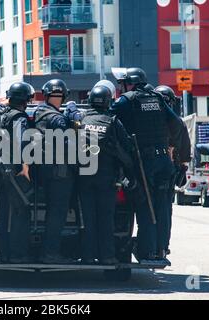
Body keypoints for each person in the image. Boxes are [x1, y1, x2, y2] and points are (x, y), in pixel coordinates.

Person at [110, 67, 185, 263]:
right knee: (162, 208)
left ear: (130, 83)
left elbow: (108, 119)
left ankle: (147, 251)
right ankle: (161, 250)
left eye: (123, 84)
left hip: (145, 163)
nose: (122, 87)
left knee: (145, 206)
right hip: (164, 162)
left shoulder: (128, 100)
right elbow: (177, 124)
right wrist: (169, 147)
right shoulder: (157, 99)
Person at [78, 85, 135, 264]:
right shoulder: (112, 121)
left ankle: (87, 256)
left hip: (85, 177)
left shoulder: (82, 119)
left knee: (88, 219)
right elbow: (127, 147)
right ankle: (107, 256)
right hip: (106, 178)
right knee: (106, 219)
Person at [34, 79, 81, 264]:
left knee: (54, 213)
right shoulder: (56, 118)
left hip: (46, 171)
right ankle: (50, 253)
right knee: (57, 214)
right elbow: (72, 133)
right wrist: (73, 115)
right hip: (59, 173)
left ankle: (49, 251)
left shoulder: (39, 112)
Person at [0, 82, 34, 263]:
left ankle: (3, 252)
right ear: (25, 99)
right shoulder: (19, 117)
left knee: (5, 214)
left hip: (2, 169)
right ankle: (18, 254)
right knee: (19, 213)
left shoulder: (1, 115)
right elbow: (22, 142)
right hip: (16, 172)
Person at [154, 85, 191, 255]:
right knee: (165, 211)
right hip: (169, 171)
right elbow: (185, 155)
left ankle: (152, 245)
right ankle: (162, 246)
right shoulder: (177, 122)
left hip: (149, 168)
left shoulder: (151, 120)